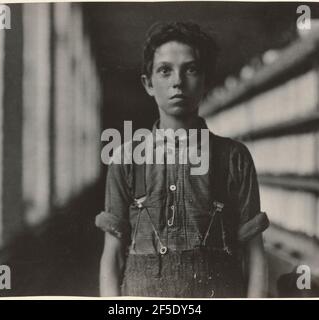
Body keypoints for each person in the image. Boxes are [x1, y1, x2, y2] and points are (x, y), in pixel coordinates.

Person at [95, 21, 269, 298]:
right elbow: (112, 257)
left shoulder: (234, 158)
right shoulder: (126, 157)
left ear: (205, 82)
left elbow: (255, 255)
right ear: (148, 84)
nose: (177, 81)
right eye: (164, 70)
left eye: (191, 69)